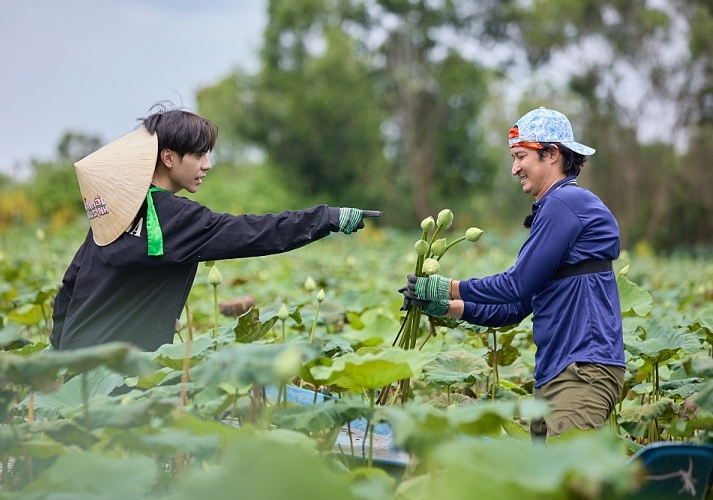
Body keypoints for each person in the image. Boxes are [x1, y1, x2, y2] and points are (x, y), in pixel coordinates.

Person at [50, 104, 380, 352]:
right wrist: (327, 218)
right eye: (199, 155)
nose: (207, 165)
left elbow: (70, 283)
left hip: (75, 363)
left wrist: (57, 350)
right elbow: (255, 232)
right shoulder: (176, 218)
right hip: (122, 375)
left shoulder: (116, 210)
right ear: (168, 157)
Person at [401, 107, 625, 439]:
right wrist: (448, 308)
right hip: (556, 372)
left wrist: (449, 287)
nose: (514, 168)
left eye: (521, 156)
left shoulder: (567, 204)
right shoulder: (554, 211)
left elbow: (516, 285)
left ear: (551, 154)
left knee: (569, 486)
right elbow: (515, 308)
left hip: (582, 370)